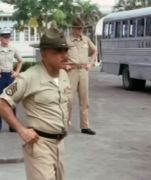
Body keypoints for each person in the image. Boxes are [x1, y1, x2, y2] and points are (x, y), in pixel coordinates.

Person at [0, 28, 72, 180]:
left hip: (60, 144)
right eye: (58, 51)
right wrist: (21, 130)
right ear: (44, 53)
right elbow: (2, 102)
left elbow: (67, 101)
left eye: (65, 50)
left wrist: (67, 121)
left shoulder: (64, 74)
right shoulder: (28, 77)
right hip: (39, 144)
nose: (64, 55)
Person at [65, 17, 97, 135]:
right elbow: (60, 53)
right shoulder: (67, 40)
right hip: (71, 71)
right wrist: (65, 65)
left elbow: (95, 51)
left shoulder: (86, 40)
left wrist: (91, 63)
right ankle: (65, 126)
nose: (79, 30)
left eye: (81, 28)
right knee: (68, 99)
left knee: (84, 100)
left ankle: (85, 126)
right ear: (72, 28)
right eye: (77, 28)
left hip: (83, 71)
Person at [0, 28, 23, 132]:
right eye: (4, 37)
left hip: (10, 77)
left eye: (8, 37)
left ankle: (12, 126)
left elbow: (21, 61)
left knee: (11, 101)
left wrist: (16, 72)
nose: (6, 39)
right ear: (0, 38)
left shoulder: (13, 48)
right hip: (0, 77)